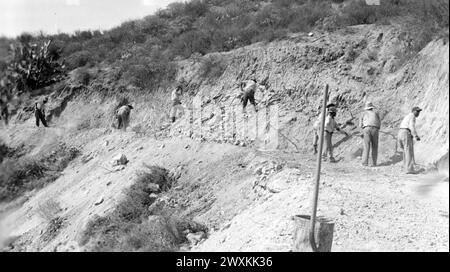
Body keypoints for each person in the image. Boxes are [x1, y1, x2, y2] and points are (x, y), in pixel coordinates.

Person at [398, 106, 422, 174]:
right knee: (408, 151)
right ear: (413, 111)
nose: (418, 113)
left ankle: (405, 167)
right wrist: (415, 135)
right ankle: (409, 169)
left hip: (400, 132)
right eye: (417, 111)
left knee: (406, 151)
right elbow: (411, 126)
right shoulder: (412, 116)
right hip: (405, 132)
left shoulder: (407, 116)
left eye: (419, 112)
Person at [359, 101, 381, 167]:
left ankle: (364, 163)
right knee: (375, 146)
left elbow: (360, 124)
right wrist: (377, 129)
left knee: (366, 146)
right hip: (375, 129)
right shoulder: (376, 113)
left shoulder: (363, 113)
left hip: (366, 129)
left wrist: (361, 132)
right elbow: (379, 122)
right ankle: (373, 163)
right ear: (372, 107)